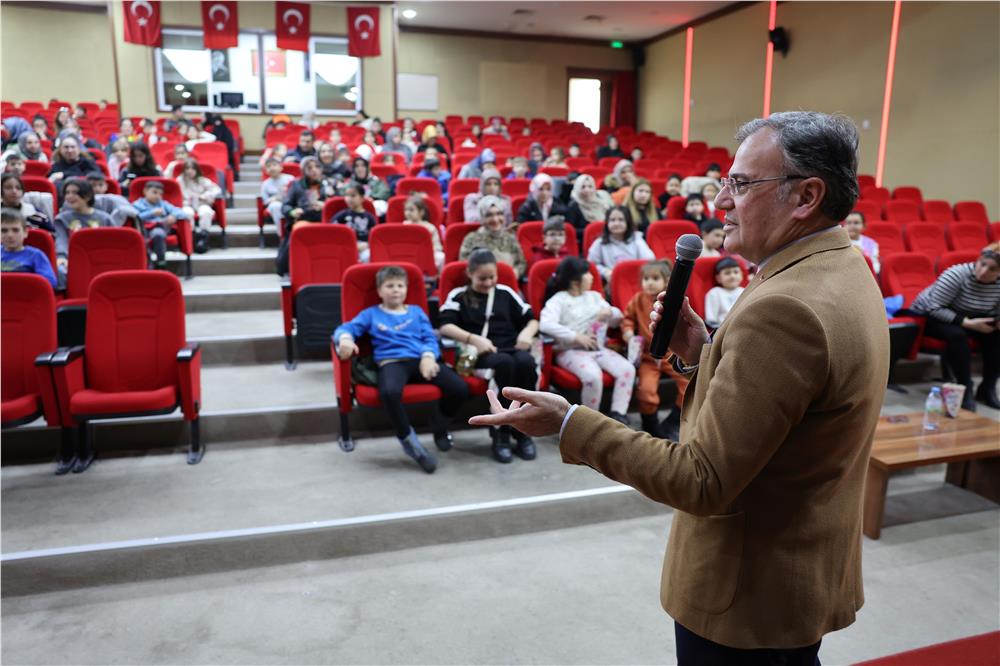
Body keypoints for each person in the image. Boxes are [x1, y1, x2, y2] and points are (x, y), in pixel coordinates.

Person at [470, 111, 891, 665]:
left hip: (747, 593)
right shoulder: (841, 267)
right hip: (798, 568)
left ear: (806, 196)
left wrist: (569, 423)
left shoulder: (785, 307)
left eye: (742, 184)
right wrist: (705, 352)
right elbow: (795, 411)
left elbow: (702, 479)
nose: (721, 201)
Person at [333, 265, 469, 473]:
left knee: (459, 388)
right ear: (380, 291)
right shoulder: (371, 314)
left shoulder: (416, 312)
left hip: (421, 359)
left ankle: (439, 425)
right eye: (390, 286)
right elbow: (346, 328)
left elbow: (429, 338)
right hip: (392, 362)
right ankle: (410, 443)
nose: (395, 290)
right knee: (389, 392)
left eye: (400, 286)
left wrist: (428, 356)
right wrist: (345, 339)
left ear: (406, 289)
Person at [439, 249, 539, 462]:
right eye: (482, 278)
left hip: (510, 348)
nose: (488, 283)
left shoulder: (506, 292)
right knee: (504, 364)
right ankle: (501, 432)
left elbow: (531, 319)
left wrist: (526, 334)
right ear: (470, 274)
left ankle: (522, 430)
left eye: (492, 277)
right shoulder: (458, 295)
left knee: (526, 362)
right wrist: (474, 339)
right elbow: (445, 325)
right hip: (480, 354)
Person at [538, 256, 635, 424]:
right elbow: (545, 324)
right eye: (588, 274)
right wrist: (576, 337)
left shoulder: (594, 297)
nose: (592, 277)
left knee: (627, 369)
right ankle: (589, 421)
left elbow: (618, 318)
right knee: (593, 376)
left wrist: (610, 313)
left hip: (597, 349)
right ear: (575, 281)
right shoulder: (558, 300)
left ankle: (618, 413)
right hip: (570, 351)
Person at [905, 244, 1000, 410]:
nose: (984, 271)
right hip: (930, 316)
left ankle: (988, 387)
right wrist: (968, 323)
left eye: (992, 269)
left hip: (971, 315)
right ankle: (964, 387)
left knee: (996, 335)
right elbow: (934, 307)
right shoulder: (957, 274)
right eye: (982, 264)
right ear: (977, 260)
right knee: (957, 335)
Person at [622, 260, 688, 438]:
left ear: (666, 280)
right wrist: (628, 332)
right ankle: (650, 424)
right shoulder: (637, 300)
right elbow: (628, 318)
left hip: (672, 355)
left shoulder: (674, 300)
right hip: (648, 357)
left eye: (655, 278)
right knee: (646, 391)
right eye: (646, 279)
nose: (649, 283)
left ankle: (673, 422)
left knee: (689, 385)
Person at [53, 178, 115, 274]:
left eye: (75, 193)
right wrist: (61, 257)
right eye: (67, 193)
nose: (69, 196)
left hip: (102, 260)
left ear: (88, 196)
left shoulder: (105, 218)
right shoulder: (61, 219)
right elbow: (61, 241)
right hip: (74, 261)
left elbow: (113, 243)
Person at [459, 195, 527, 278]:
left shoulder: (510, 238)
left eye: (499, 214)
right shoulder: (472, 239)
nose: (495, 219)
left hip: (508, 281)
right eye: (489, 215)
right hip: (481, 282)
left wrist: (514, 273)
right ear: (482, 218)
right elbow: (464, 264)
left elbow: (521, 263)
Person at [132, 180, 191, 269]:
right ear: (145, 191)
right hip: (143, 229)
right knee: (143, 237)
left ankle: (161, 261)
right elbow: (135, 217)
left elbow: (181, 212)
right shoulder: (137, 204)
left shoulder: (163, 204)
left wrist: (173, 215)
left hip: (160, 228)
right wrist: (152, 213)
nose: (157, 196)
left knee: (158, 233)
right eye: (154, 192)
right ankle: (146, 263)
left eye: (160, 194)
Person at [586, 205, 654, 282]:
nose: (616, 224)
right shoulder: (600, 243)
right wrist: (605, 272)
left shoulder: (637, 239)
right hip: (612, 280)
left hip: (636, 279)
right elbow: (591, 265)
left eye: (621, 220)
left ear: (628, 222)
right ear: (607, 223)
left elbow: (650, 260)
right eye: (612, 220)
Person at [1, 209, 57, 287]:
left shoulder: (36, 255)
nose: (10, 235)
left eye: (15, 230)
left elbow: (50, 283)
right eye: (4, 231)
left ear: (25, 232)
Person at [281, 156, 336, 232]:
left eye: (317, 167)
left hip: (324, 219)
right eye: (309, 168)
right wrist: (292, 212)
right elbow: (285, 206)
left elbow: (337, 204)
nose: (314, 170)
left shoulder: (328, 183)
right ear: (303, 171)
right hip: (304, 218)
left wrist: (325, 205)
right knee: (301, 228)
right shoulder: (296, 184)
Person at [177, 160, 221, 248]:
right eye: (187, 169)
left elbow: (217, 190)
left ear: (196, 170)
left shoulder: (202, 180)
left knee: (206, 211)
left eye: (192, 169)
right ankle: (191, 238)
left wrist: (203, 196)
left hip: (201, 203)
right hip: (187, 205)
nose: (189, 171)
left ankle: (203, 238)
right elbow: (178, 196)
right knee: (187, 213)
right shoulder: (180, 180)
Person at [331, 184, 377, 261]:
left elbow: (375, 237)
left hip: (363, 248)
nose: (349, 199)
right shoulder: (342, 215)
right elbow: (332, 233)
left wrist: (367, 245)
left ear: (362, 198)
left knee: (369, 256)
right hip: (345, 247)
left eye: (353, 196)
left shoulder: (369, 217)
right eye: (346, 195)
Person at [402, 195, 444, 270]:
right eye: (406, 210)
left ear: (421, 212)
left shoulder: (430, 227)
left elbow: (437, 247)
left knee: (441, 256)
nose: (407, 213)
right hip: (407, 255)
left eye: (411, 210)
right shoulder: (403, 225)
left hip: (426, 256)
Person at [704, 256, 745, 329]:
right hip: (723, 329)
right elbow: (711, 320)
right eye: (727, 273)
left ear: (741, 275)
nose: (732, 276)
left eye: (736, 272)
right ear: (718, 278)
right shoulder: (715, 293)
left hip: (744, 327)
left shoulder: (744, 291)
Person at [260, 158, 295, 236]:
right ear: (266, 170)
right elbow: (264, 201)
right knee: (276, 206)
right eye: (268, 166)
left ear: (281, 167)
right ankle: (282, 234)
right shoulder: (265, 184)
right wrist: (273, 199)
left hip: (289, 202)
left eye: (274, 165)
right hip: (274, 204)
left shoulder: (290, 178)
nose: (272, 168)